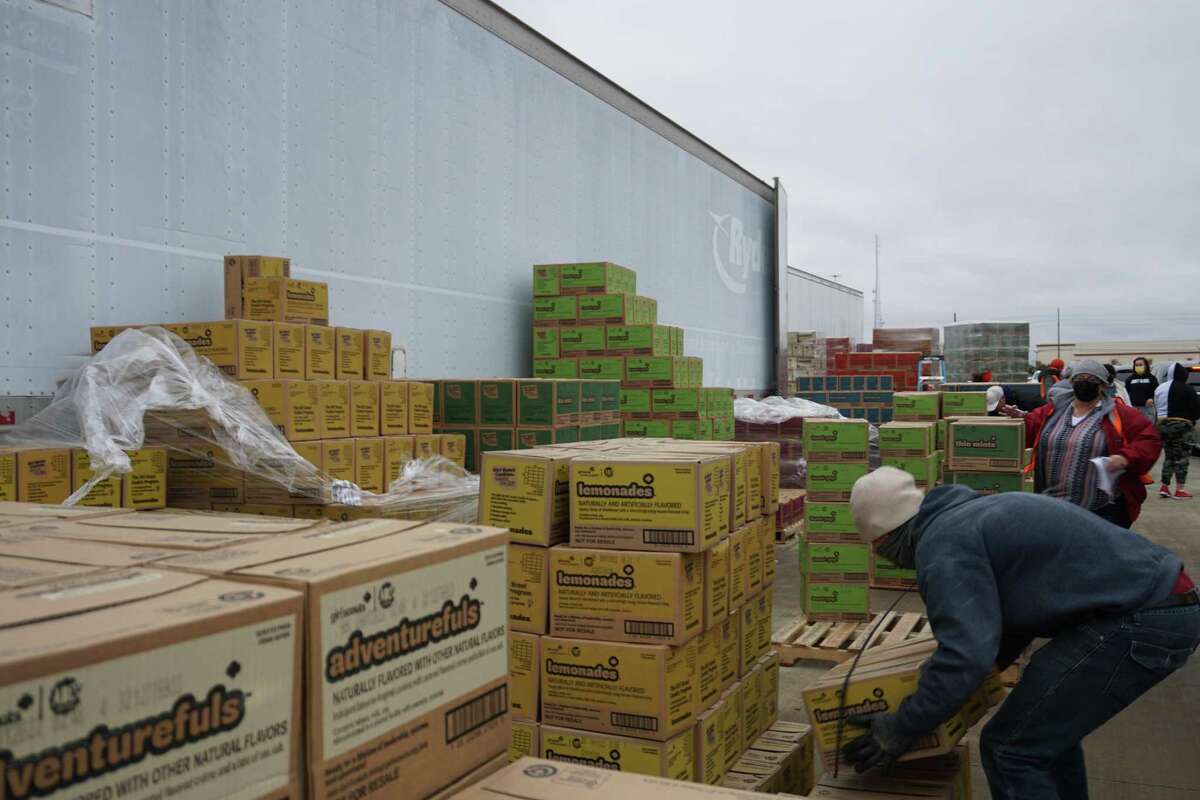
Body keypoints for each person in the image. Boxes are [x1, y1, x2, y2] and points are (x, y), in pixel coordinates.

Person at [841, 468, 1198, 799]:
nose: (882, 556)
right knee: (1045, 735)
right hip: (1155, 602)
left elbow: (966, 656)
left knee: (1009, 749)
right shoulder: (970, 514)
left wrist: (903, 726)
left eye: (876, 547)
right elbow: (1010, 622)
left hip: (1144, 616)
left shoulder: (943, 545)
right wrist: (960, 688)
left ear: (885, 534)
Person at [1002, 359, 1161, 526]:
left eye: (1091, 379)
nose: (1085, 382)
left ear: (1102, 386)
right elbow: (1033, 426)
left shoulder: (1119, 414)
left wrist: (1125, 457)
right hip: (1053, 505)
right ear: (1072, 383)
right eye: (1080, 378)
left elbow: (1150, 439)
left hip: (1101, 511)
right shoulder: (1054, 410)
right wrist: (1021, 420)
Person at [1154, 362, 1200, 500]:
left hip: (1162, 425)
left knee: (1169, 457)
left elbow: (1157, 407)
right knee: (1182, 458)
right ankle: (1180, 490)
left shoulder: (1160, 388)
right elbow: (1197, 410)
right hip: (1182, 425)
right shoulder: (1188, 389)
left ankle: (1164, 487)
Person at [1125, 356, 1159, 422]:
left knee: (1149, 428)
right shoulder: (1130, 379)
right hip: (1134, 408)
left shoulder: (1151, 378)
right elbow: (1126, 392)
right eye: (1136, 365)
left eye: (1140, 365)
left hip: (1148, 408)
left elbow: (1157, 391)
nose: (1138, 367)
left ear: (1145, 366)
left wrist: (1151, 398)